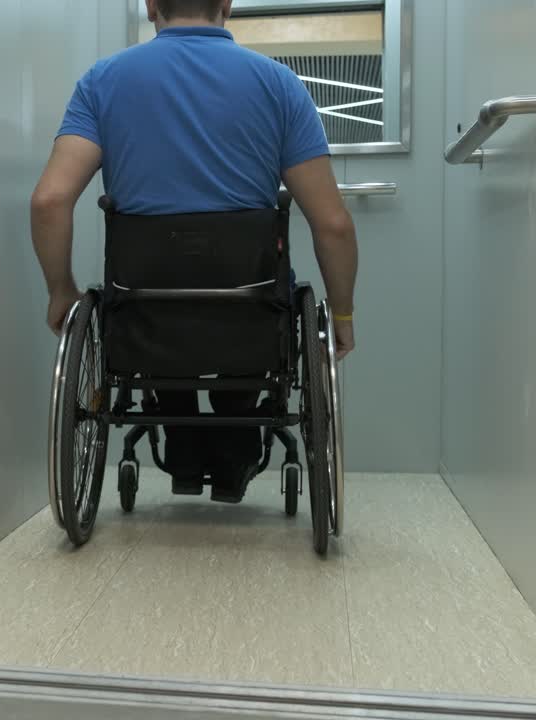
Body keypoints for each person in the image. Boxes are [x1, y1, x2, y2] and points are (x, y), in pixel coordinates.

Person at [30, 0, 359, 502]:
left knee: (160, 317)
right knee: (249, 316)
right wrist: (342, 313)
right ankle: (236, 446)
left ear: (150, 5)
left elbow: (50, 200)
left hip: (142, 307)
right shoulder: (280, 85)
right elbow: (332, 224)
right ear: (226, 4)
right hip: (251, 309)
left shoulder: (103, 81)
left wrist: (61, 291)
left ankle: (181, 447)